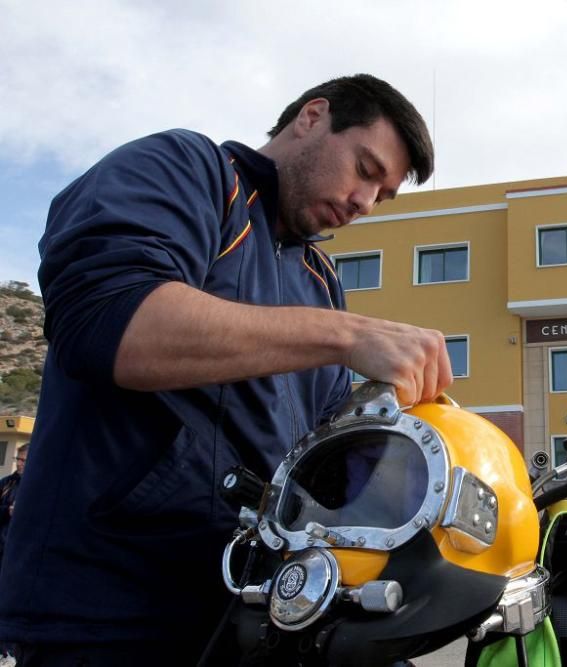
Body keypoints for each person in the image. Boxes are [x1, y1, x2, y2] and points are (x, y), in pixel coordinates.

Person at [0, 74, 452, 665]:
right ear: (312, 117)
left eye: (383, 196)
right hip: (109, 612)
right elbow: (110, 320)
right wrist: (350, 334)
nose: (364, 202)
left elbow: (327, 450)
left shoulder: (320, 280)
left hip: (251, 614)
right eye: (366, 169)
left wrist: (433, 441)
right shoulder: (188, 170)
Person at [0, 444, 27, 573]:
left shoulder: (39, 486)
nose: (19, 463)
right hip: (2, 543)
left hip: (21, 549)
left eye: (23, 460)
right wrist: (7, 510)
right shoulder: (6, 483)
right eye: (18, 459)